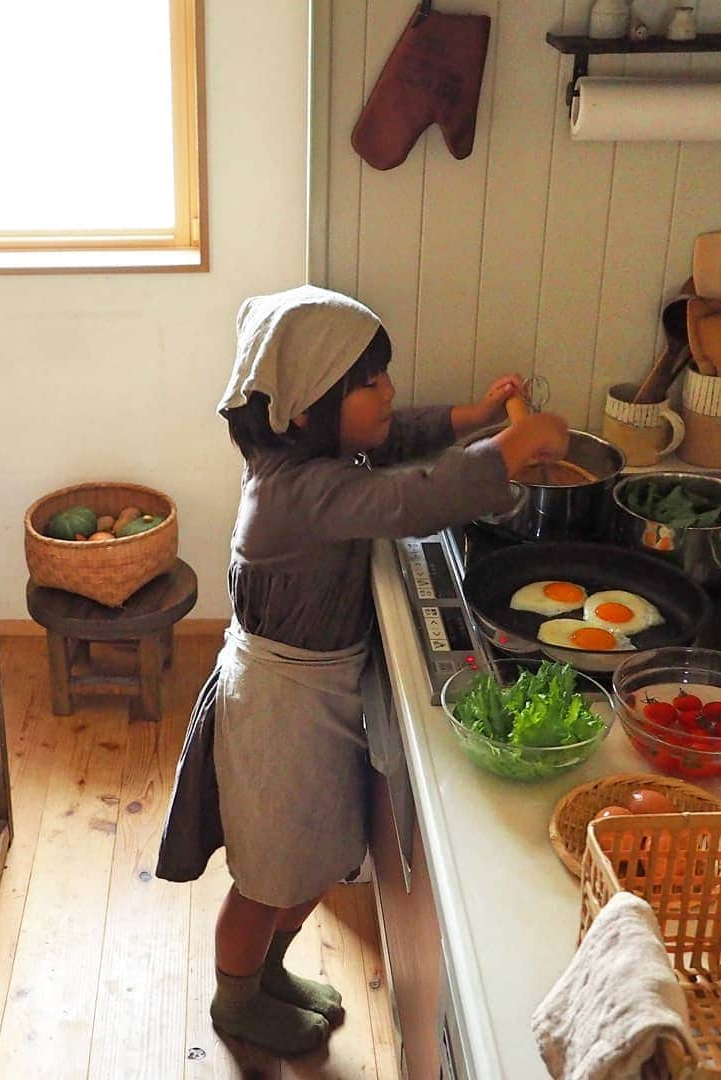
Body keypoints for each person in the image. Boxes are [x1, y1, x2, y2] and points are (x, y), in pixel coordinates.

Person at [156, 285, 568, 1056]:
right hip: (279, 705)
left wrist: (475, 419)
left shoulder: (312, 451)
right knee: (266, 876)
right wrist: (511, 447)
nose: (388, 394)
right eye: (369, 383)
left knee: (308, 858)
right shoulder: (297, 491)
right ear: (310, 407)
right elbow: (409, 498)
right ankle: (236, 1002)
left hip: (313, 690)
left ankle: (266, 974)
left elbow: (396, 439)